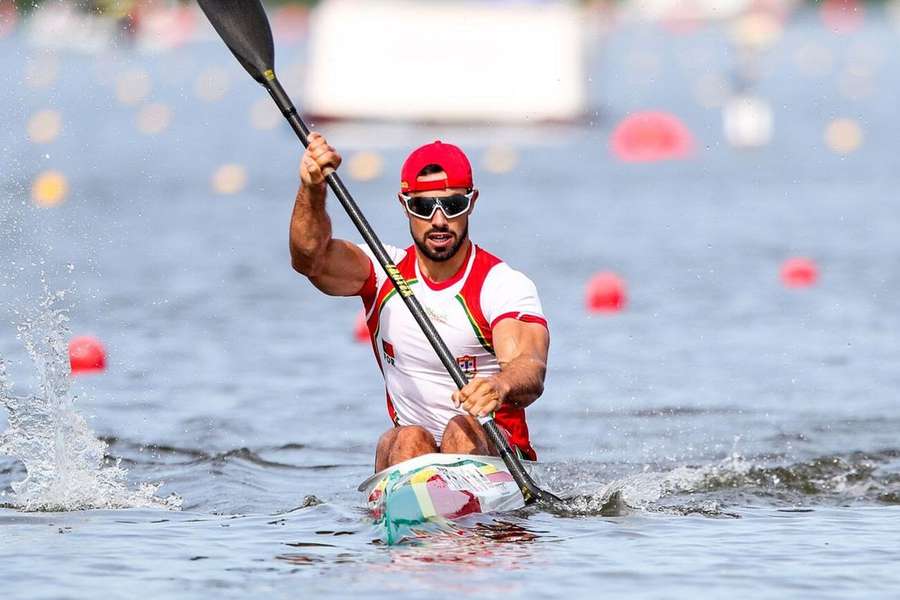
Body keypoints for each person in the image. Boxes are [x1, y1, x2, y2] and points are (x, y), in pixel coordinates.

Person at [290, 133, 550, 471]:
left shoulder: (501, 285)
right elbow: (309, 259)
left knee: (461, 429)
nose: (439, 220)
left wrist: (500, 385)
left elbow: (529, 366)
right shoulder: (384, 273)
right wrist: (313, 188)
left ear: (472, 202)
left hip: (496, 456)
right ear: (404, 205)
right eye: (424, 207)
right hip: (412, 455)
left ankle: (459, 516)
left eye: (453, 205)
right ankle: (423, 513)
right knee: (405, 438)